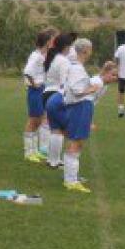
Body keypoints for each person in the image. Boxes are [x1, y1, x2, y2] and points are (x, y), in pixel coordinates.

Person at [59, 41, 115, 193]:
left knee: (77, 143)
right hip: (80, 106)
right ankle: (71, 181)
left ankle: (71, 177)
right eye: (90, 49)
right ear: (85, 50)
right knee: (76, 143)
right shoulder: (77, 67)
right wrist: (90, 90)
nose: (91, 52)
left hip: (80, 106)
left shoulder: (77, 66)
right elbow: (77, 89)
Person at [43, 32, 78, 168]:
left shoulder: (53, 58)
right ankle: (55, 160)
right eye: (70, 46)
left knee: (55, 129)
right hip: (57, 95)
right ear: (65, 46)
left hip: (47, 94)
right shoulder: (63, 61)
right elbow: (64, 83)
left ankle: (52, 159)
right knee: (61, 129)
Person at [22, 29, 55, 162]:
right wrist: (34, 84)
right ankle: (28, 152)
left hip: (42, 89)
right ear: (47, 42)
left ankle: (35, 151)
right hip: (36, 91)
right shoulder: (36, 56)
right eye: (51, 41)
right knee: (33, 121)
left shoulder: (42, 55)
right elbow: (27, 71)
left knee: (39, 121)